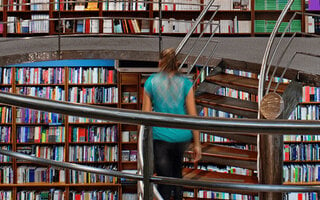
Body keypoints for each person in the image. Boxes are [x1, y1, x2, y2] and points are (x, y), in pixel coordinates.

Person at [142, 48, 201, 200]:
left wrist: (142, 144)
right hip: (182, 137)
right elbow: (193, 115)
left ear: (160, 63)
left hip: (161, 138)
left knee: (164, 180)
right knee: (177, 175)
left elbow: (145, 117)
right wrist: (197, 144)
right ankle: (179, 195)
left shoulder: (151, 83)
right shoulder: (186, 83)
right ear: (176, 63)